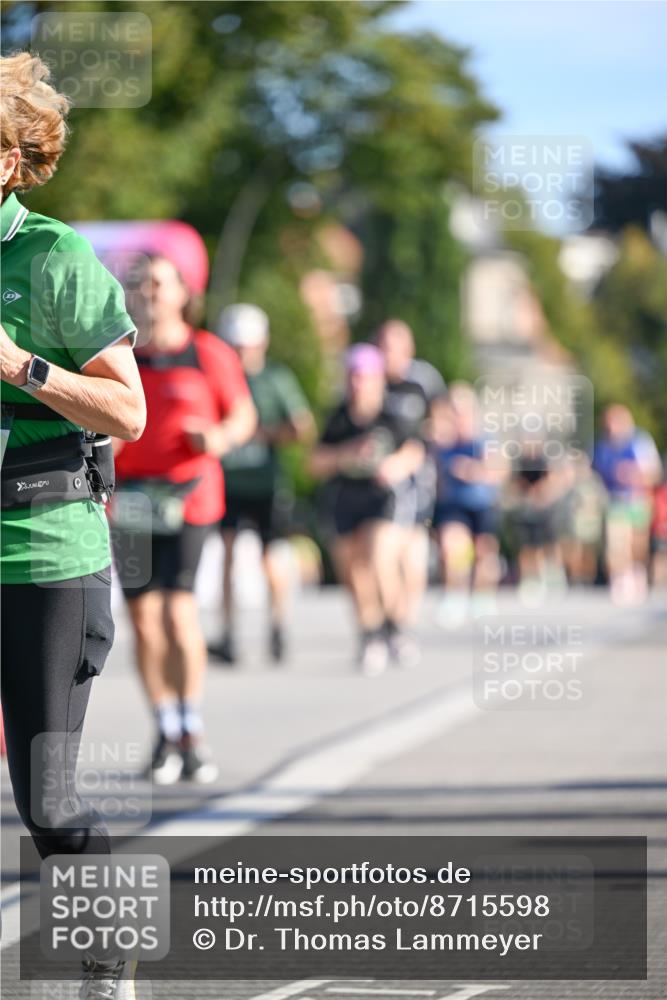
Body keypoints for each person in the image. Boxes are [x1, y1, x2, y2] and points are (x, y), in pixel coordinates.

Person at [0, 53, 146, 996]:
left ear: (9, 160)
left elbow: (128, 413)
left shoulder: (53, 257)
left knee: (46, 802)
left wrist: (19, 364)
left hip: (44, 550)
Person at [112, 256, 256, 784]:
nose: (146, 292)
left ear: (181, 294)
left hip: (190, 497)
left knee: (178, 614)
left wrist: (219, 438)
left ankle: (191, 728)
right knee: (144, 623)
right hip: (129, 499)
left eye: (156, 283)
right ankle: (164, 728)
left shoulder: (207, 351)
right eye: (137, 284)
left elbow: (243, 413)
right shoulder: (118, 351)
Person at [209, 303, 315, 664]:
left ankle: (277, 625)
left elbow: (302, 426)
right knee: (226, 555)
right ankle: (228, 632)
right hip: (227, 483)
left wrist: (261, 433)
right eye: (235, 346)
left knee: (270, 557)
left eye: (247, 346)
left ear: (261, 344)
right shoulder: (220, 376)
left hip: (266, 484)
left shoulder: (275, 378)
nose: (241, 354)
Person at [310, 343, 425, 674]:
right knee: (354, 572)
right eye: (353, 377)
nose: (358, 384)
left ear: (377, 380)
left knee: (379, 558)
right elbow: (315, 462)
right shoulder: (338, 418)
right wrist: (345, 455)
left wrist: (394, 466)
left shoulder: (392, 415)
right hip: (346, 498)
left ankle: (396, 626)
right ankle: (370, 634)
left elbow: (414, 450)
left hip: (383, 498)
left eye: (365, 377)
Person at [375, 319, 446, 629]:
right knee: (384, 548)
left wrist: (418, 446)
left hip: (415, 475)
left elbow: (443, 424)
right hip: (378, 476)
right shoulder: (370, 379)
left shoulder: (424, 380)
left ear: (408, 349)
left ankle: (405, 618)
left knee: (412, 546)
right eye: (383, 347)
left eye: (393, 347)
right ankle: (390, 616)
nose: (387, 354)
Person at [430, 385, 505, 625]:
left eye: (461, 411)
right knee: (453, 548)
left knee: (484, 554)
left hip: (482, 503)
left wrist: (471, 471)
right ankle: (454, 595)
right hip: (453, 505)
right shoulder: (442, 443)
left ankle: (482, 595)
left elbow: (499, 472)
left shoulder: (485, 439)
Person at [592, 404, 661, 605]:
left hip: (637, 497)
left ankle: (637, 574)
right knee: (616, 542)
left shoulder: (639, 441)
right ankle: (621, 579)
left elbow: (653, 472)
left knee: (637, 542)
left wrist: (634, 474)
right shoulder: (602, 445)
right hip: (615, 499)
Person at [504, 438, 571, 606]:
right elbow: (514, 482)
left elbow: (555, 479)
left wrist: (542, 493)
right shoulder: (520, 462)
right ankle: (530, 580)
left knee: (548, 544)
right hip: (526, 508)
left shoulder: (545, 460)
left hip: (544, 508)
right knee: (527, 547)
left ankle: (554, 575)